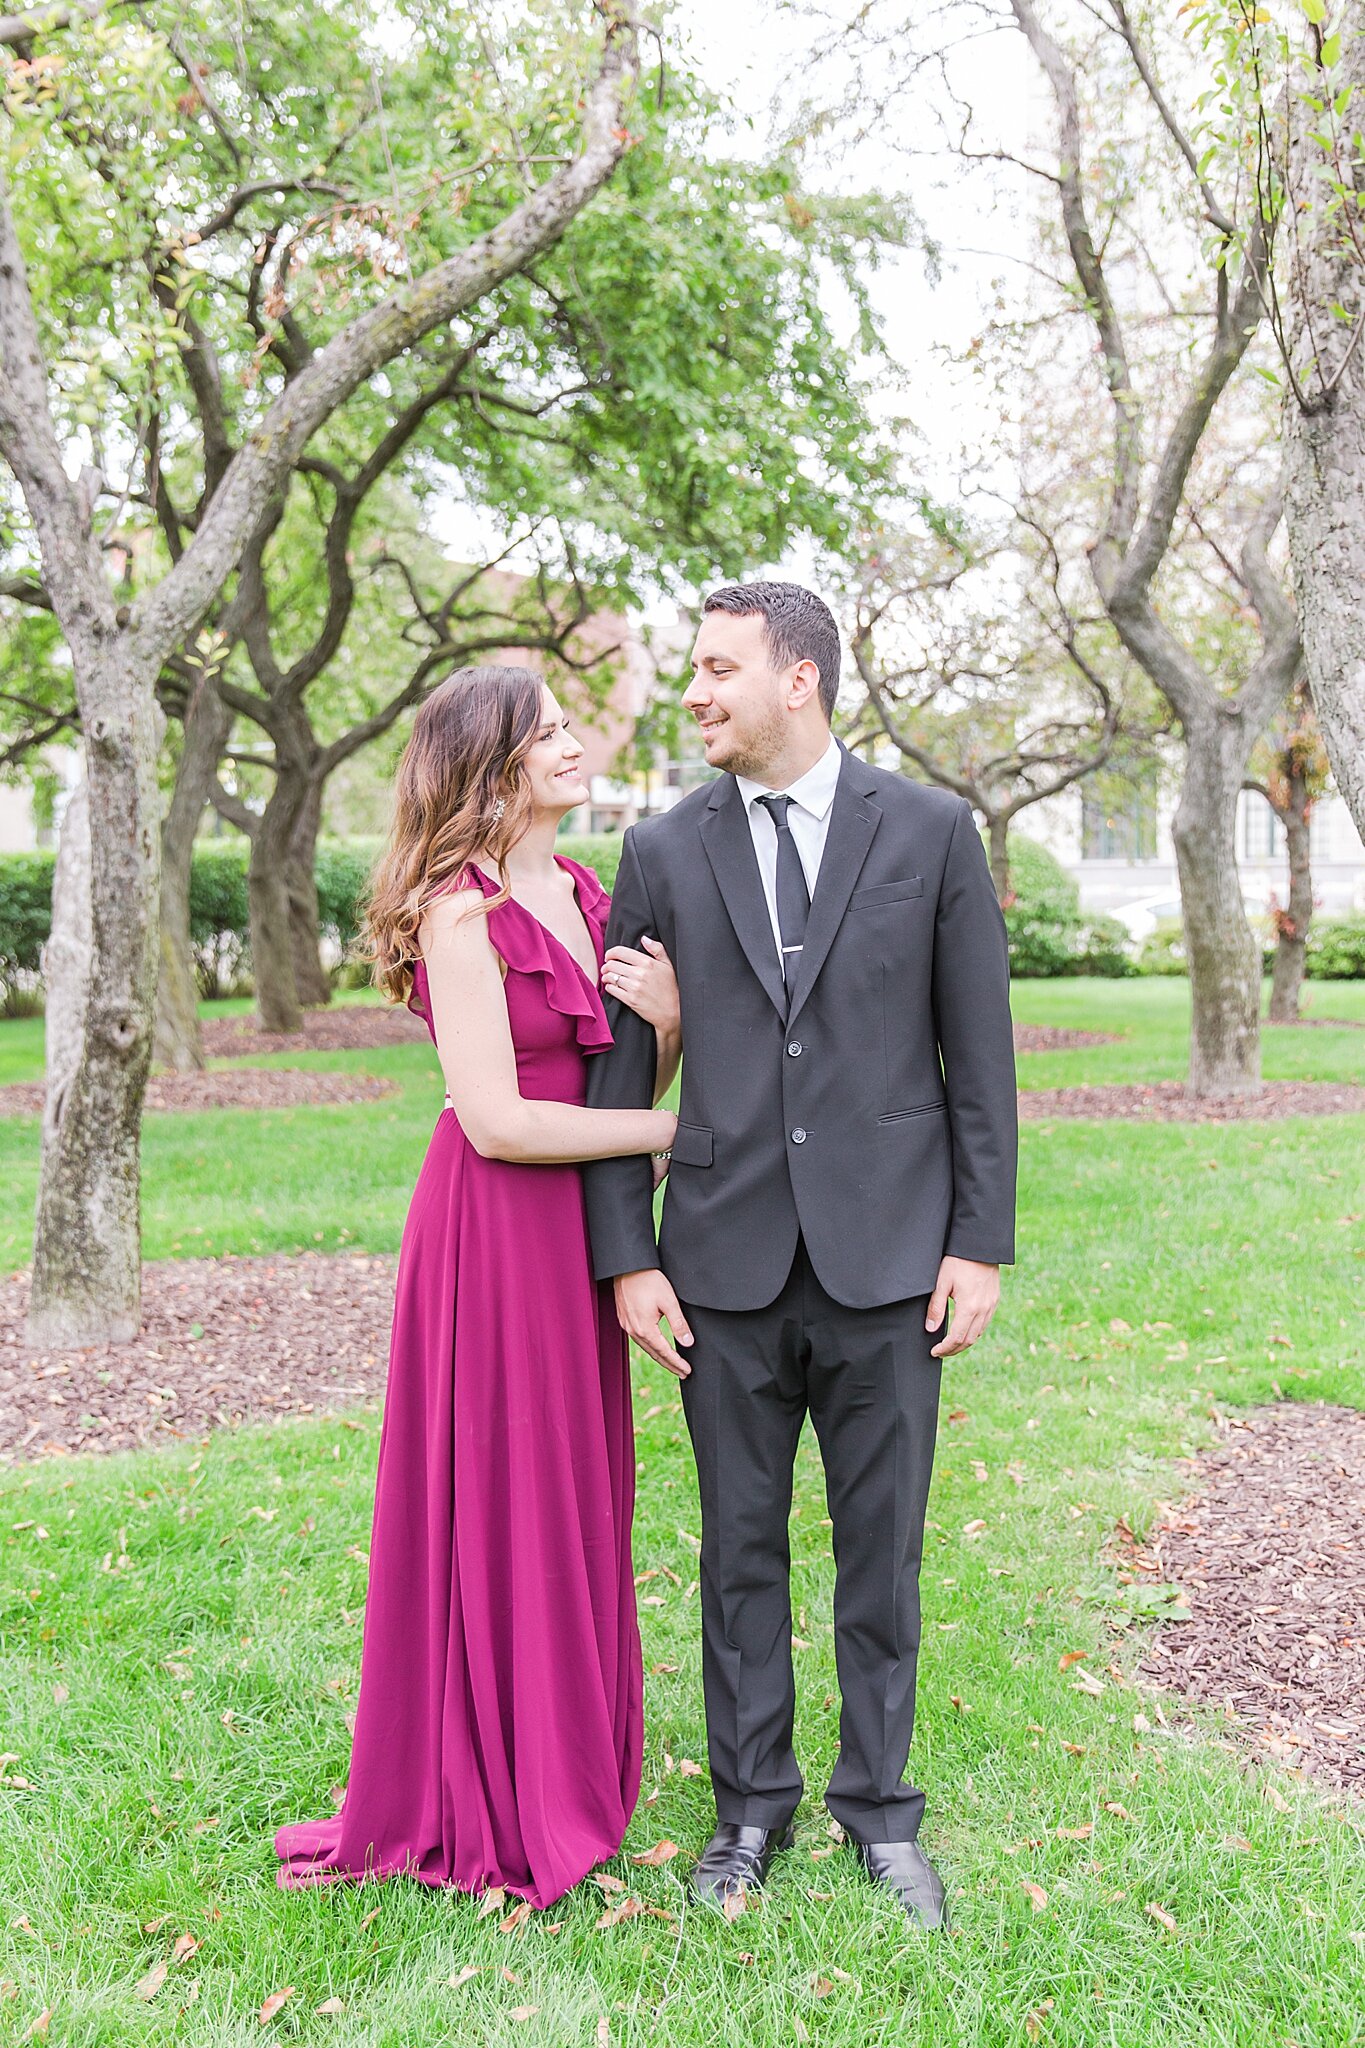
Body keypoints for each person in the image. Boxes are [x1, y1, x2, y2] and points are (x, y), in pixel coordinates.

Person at [585, 583, 1018, 1931]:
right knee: (739, 1549)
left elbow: (977, 1060)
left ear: (800, 680)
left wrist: (979, 1246)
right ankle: (749, 1811)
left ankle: (881, 1815)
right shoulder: (661, 848)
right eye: (693, 672)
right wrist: (626, 1256)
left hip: (892, 1262)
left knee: (880, 1553)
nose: (696, 694)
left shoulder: (933, 832)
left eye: (719, 670)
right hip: (719, 1263)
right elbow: (617, 1069)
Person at [274, 664, 681, 1909]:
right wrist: (684, 1134)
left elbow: (619, 1090)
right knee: (502, 1487)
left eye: (566, 724)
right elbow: (499, 1119)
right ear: (492, 766)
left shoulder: (585, 891)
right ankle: (491, 1788)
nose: (573, 741)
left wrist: (672, 1028)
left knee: (571, 1485)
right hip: (494, 1230)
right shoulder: (460, 914)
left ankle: (569, 1765)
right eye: (547, 730)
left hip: (580, 1225)